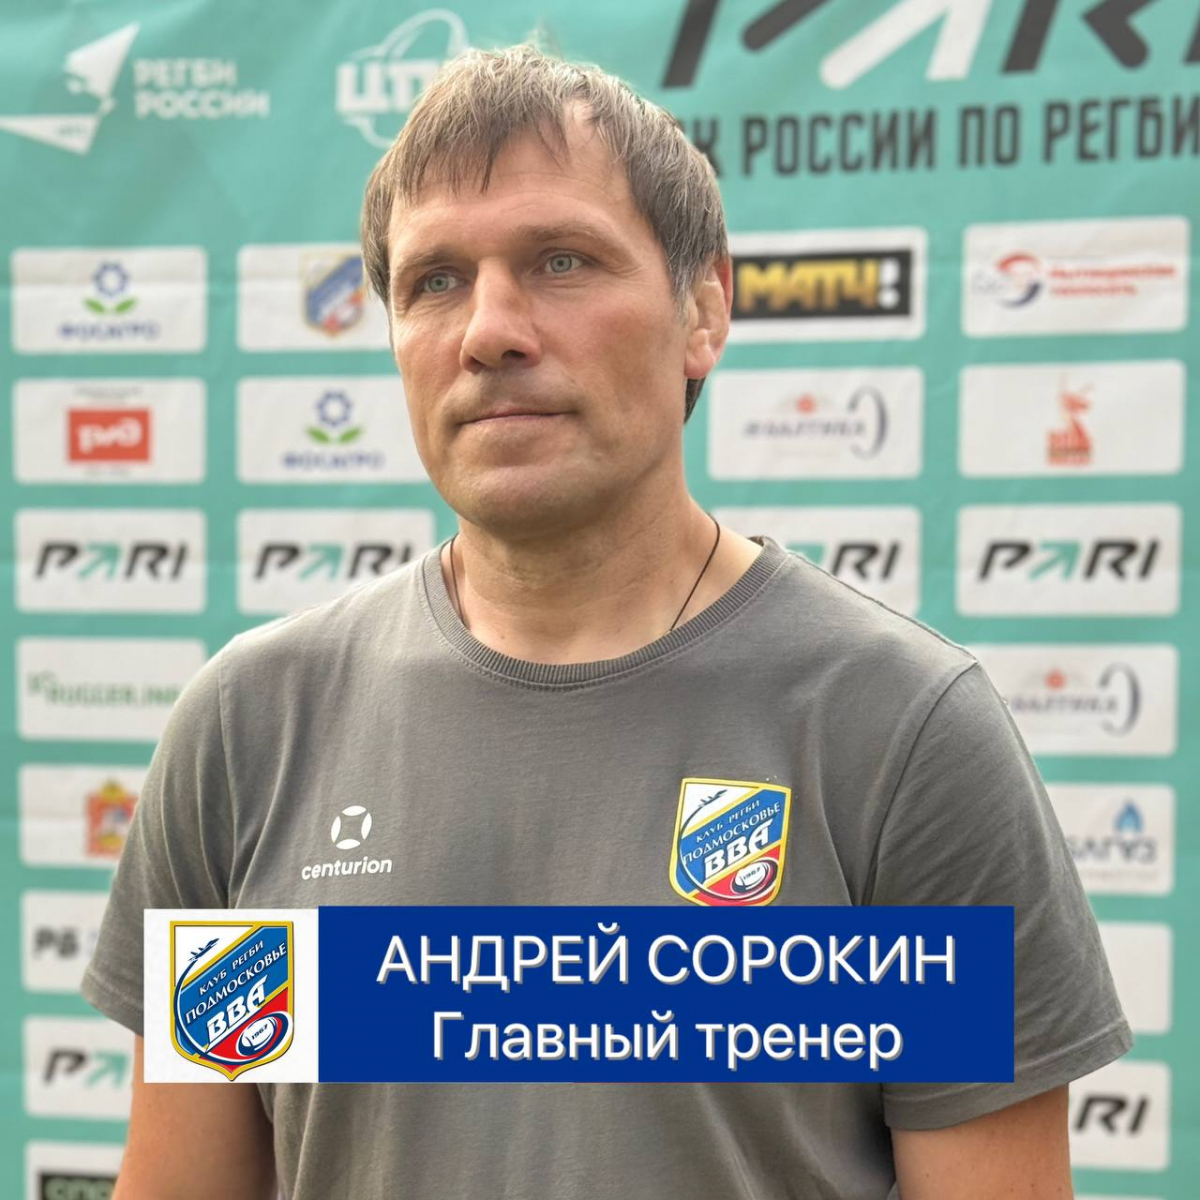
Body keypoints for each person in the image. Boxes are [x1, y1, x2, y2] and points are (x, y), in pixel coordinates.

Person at [82, 43, 1131, 1200]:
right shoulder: (251, 726)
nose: (490, 330)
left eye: (561, 261)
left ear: (704, 310)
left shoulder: (900, 730)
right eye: (435, 281)